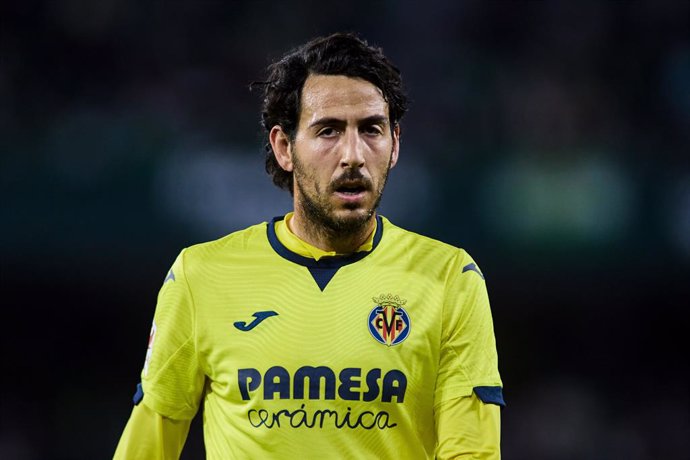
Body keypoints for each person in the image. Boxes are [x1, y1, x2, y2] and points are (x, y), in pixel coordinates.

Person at [114, 32, 504, 459]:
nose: (353, 154)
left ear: (395, 144)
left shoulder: (450, 278)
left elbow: (472, 453)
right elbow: (148, 445)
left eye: (371, 129)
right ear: (284, 147)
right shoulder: (199, 276)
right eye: (329, 131)